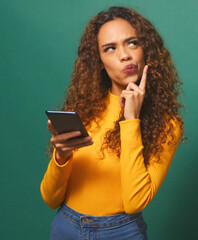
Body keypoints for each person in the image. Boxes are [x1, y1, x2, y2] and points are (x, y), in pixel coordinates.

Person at [40, 6, 184, 240]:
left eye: (132, 43)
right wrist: (61, 158)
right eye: (110, 48)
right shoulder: (83, 109)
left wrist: (131, 120)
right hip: (65, 228)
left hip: (121, 233)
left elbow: (135, 202)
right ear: (99, 61)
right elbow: (50, 199)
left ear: (145, 49)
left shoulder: (167, 125)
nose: (124, 55)